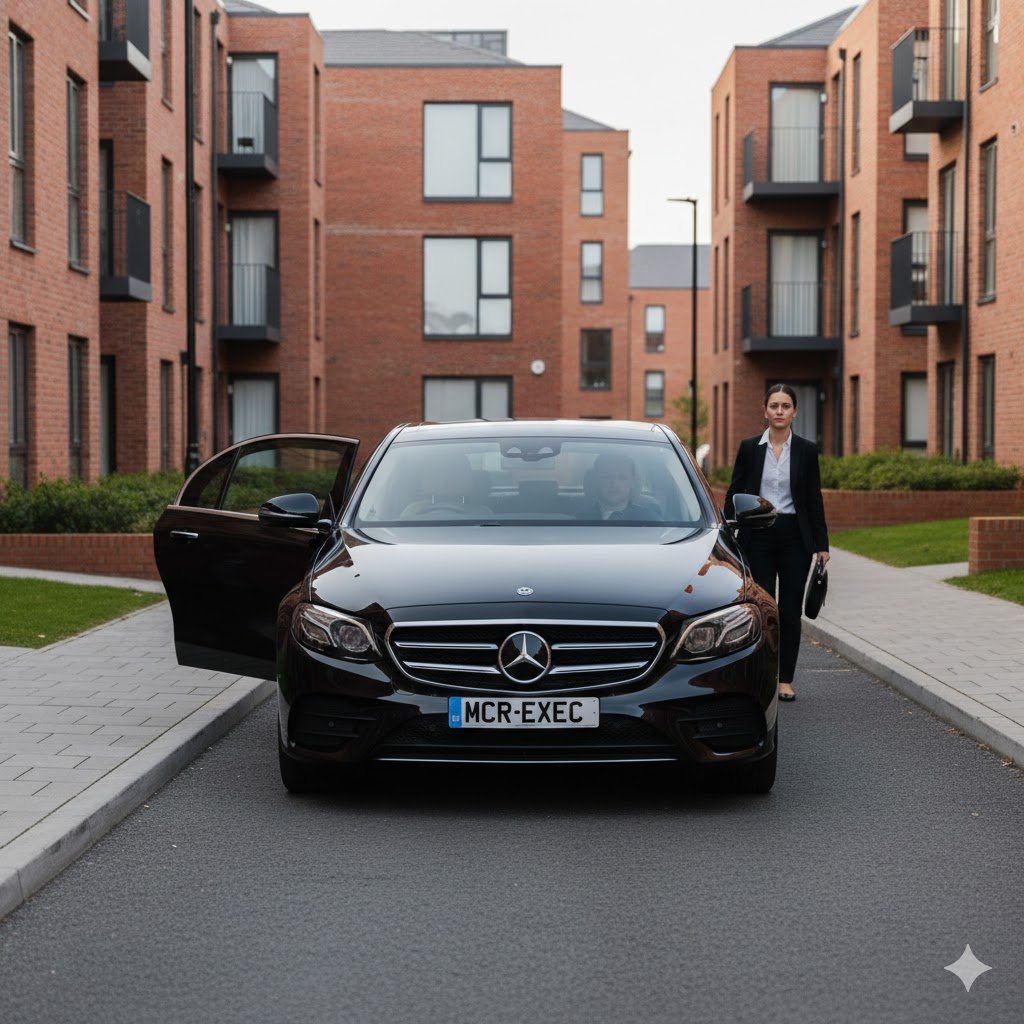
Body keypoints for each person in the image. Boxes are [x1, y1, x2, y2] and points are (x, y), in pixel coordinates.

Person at [725, 383, 829, 702]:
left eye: (785, 406)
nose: (779, 411)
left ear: (794, 411)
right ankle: (764, 677)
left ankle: (785, 679)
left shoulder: (807, 450)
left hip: (795, 536)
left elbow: (813, 498)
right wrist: (727, 529)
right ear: (765, 410)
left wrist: (822, 545)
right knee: (762, 609)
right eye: (774, 406)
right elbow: (734, 493)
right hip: (758, 534)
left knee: (789, 611)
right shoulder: (749, 448)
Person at [400, 451, 493, 517]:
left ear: (470, 479)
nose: (448, 479)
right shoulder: (413, 511)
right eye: (439, 473)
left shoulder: (482, 513)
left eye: (457, 473)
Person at [576, 451, 659, 520]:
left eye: (622, 477)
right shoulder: (579, 520)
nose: (614, 483)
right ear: (596, 481)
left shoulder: (650, 520)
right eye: (607, 477)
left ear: (633, 482)